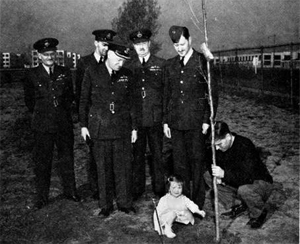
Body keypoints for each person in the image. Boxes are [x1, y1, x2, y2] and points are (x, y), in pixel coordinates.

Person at [79, 38, 138, 217]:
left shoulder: (127, 75)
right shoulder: (92, 72)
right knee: (103, 169)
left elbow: (132, 103)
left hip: (121, 128)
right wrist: (83, 126)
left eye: (123, 61)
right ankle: (105, 205)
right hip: (100, 128)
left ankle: (124, 203)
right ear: (109, 55)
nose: (121, 64)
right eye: (118, 60)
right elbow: (83, 101)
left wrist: (134, 127)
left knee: (123, 168)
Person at [163, 26, 218, 210]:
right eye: (176, 45)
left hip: (196, 124)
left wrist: (206, 120)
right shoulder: (170, 65)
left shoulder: (202, 62)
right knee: (180, 166)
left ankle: (197, 203)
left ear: (190, 40)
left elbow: (211, 94)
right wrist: (165, 121)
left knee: (197, 164)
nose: (179, 48)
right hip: (177, 124)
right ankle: (183, 202)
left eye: (182, 44)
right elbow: (167, 95)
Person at [24, 38, 81, 210]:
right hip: (43, 125)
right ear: (39, 56)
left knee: (67, 158)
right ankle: (42, 197)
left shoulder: (64, 71)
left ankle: (70, 191)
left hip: (63, 123)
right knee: (43, 161)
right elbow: (30, 102)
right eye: (46, 54)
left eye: (52, 54)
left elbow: (70, 96)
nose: (49, 57)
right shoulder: (31, 74)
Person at [204, 121, 273, 229]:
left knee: (244, 190)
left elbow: (247, 177)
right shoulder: (219, 147)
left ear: (228, 136)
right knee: (208, 176)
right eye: (214, 145)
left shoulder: (245, 145)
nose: (217, 148)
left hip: (258, 183)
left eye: (219, 144)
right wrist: (218, 177)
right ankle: (238, 204)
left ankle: (259, 212)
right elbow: (209, 162)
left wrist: (224, 175)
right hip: (236, 180)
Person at [75, 29, 116, 199]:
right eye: (104, 44)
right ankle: (96, 189)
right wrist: (83, 122)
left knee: (111, 156)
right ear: (96, 43)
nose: (106, 48)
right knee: (94, 156)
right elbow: (80, 95)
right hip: (94, 119)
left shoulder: (112, 61)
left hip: (111, 118)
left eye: (109, 45)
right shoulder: (84, 63)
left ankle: (110, 189)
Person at [128, 28, 166, 200]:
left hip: (156, 118)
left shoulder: (160, 64)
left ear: (149, 44)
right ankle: (137, 188)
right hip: (138, 119)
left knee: (158, 154)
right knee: (137, 155)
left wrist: (165, 119)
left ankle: (159, 188)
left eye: (144, 43)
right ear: (134, 47)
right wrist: (132, 124)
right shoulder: (130, 67)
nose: (141, 47)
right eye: (137, 44)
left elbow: (166, 94)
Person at [153, 174, 206, 239]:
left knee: (187, 214)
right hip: (167, 215)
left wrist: (199, 211)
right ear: (169, 188)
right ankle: (168, 228)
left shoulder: (183, 198)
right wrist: (158, 227)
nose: (177, 190)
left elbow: (191, 204)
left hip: (179, 215)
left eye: (179, 187)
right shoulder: (165, 199)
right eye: (174, 187)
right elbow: (158, 212)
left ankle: (176, 220)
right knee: (172, 214)